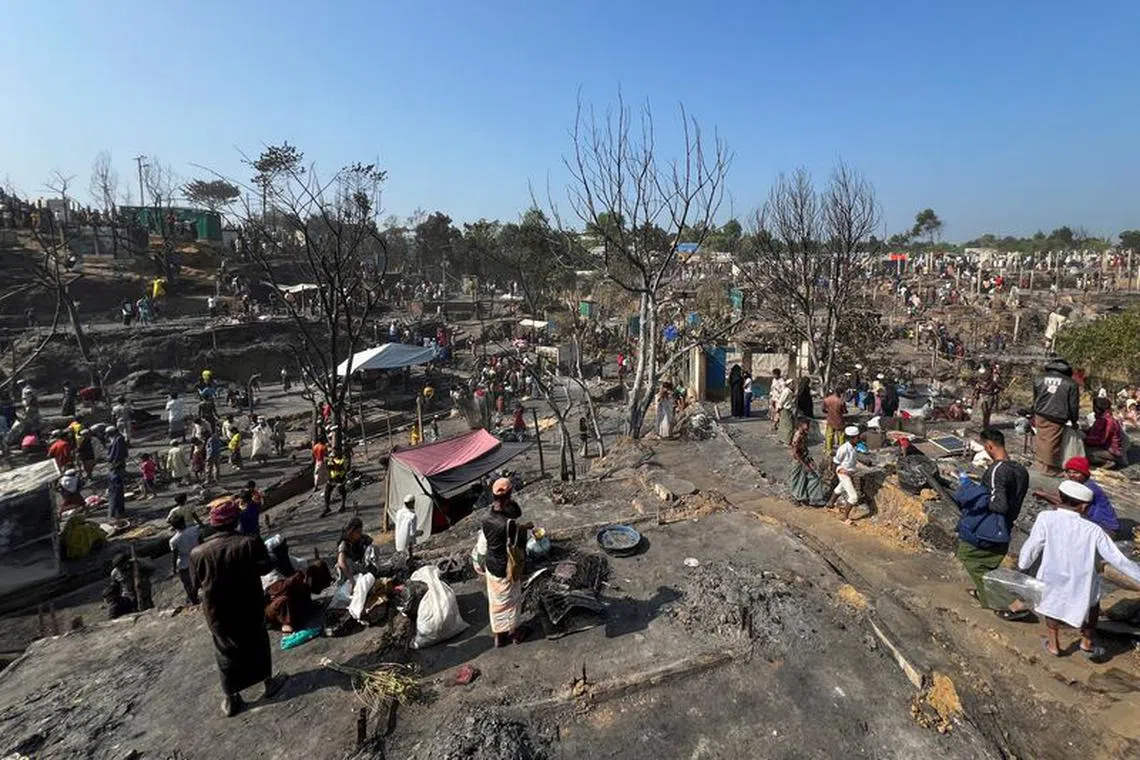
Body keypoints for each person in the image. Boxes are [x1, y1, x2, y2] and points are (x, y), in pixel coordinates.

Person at [1019, 480, 1140, 659]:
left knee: (1050, 605)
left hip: (1052, 574)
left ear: (1061, 497)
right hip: (1083, 578)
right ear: (1083, 506)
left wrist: (1023, 564)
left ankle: (1054, 645)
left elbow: (1033, 544)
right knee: (1092, 605)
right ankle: (1086, 642)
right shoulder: (1093, 530)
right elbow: (1117, 559)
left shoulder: (1046, 517)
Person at [190, 500, 288, 717]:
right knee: (257, 643)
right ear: (236, 521)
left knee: (225, 650)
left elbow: (195, 584)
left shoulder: (198, 552)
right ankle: (268, 683)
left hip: (217, 612)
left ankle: (231, 697)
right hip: (248, 605)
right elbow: (266, 567)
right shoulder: (248, 543)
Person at [956, 428, 1031, 620]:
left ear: (989, 446)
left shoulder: (996, 471)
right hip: (1005, 528)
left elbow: (999, 504)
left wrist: (971, 490)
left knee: (968, 556)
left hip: (990, 527)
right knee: (988, 564)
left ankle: (1013, 604)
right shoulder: (1021, 470)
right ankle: (985, 593)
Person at [477, 478, 532, 647]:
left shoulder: (486, 517)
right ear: (509, 495)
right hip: (505, 566)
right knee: (512, 600)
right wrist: (526, 528)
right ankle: (514, 633)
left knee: (496, 603)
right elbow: (518, 541)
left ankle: (499, 637)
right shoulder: (509, 524)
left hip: (491, 565)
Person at [1033, 456, 1120, 537]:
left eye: (1076, 473)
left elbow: (1069, 505)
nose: (1072, 475)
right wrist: (1046, 495)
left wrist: (1045, 495)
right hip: (1093, 522)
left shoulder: (1088, 488)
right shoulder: (1079, 485)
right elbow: (1064, 498)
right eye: (1069, 472)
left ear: (1084, 474)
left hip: (1103, 528)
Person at [1032, 358, 1079, 474]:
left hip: (1040, 413)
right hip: (1057, 416)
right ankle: (1049, 469)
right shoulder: (1071, 383)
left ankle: (1040, 463)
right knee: (1052, 443)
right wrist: (1074, 420)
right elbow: (1073, 405)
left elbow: (1035, 398)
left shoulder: (1039, 378)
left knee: (1041, 439)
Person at [828, 426, 863, 525]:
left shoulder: (853, 447)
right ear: (851, 438)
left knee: (840, 488)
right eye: (857, 437)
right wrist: (834, 473)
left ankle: (830, 504)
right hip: (843, 472)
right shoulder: (843, 448)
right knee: (853, 497)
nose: (858, 439)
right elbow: (836, 461)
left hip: (848, 472)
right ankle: (845, 517)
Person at [789, 416, 825, 506]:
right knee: (798, 480)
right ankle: (798, 497)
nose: (808, 426)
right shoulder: (797, 436)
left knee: (813, 477)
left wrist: (810, 460)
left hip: (805, 458)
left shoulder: (804, 434)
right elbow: (795, 453)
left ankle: (814, 497)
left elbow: (805, 448)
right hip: (799, 461)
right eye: (806, 425)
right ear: (800, 425)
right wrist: (804, 465)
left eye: (808, 424)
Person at [168, 511, 201, 605]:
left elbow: (175, 555)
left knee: (188, 584)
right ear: (184, 522)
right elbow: (201, 541)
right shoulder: (195, 529)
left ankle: (194, 601)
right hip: (197, 557)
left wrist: (173, 568)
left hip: (184, 563)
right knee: (201, 579)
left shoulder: (173, 540)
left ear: (173, 527)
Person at [1084, 397, 1126, 469]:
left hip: (1111, 452)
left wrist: (1084, 439)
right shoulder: (1103, 419)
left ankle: (1108, 461)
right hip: (1106, 449)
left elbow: (1101, 439)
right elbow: (1093, 431)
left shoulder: (1106, 421)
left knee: (1085, 453)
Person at [336, 517, 373, 588]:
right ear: (351, 532)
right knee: (346, 562)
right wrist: (351, 579)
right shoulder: (344, 544)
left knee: (373, 548)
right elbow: (341, 562)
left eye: (360, 531)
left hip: (359, 566)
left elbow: (371, 543)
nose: (359, 534)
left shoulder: (362, 539)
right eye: (357, 532)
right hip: (348, 569)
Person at [106, 427, 128, 518]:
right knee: (116, 491)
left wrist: (114, 462)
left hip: (116, 468)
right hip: (116, 468)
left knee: (116, 492)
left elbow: (118, 454)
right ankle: (117, 511)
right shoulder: (117, 438)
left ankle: (117, 512)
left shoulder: (119, 439)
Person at [321, 448, 349, 517]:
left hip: (340, 478)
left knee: (342, 491)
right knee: (327, 493)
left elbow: (339, 467)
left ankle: (343, 505)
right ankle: (327, 507)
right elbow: (328, 467)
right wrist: (328, 461)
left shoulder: (342, 460)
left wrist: (332, 462)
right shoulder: (332, 459)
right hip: (331, 478)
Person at [395, 494, 422, 560]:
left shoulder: (399, 512)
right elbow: (412, 533)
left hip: (398, 543)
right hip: (408, 545)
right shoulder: (412, 516)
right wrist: (420, 532)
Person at [821, 388, 847, 457]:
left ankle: (828, 450)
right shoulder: (841, 401)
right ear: (841, 393)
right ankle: (842, 451)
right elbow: (844, 411)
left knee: (829, 435)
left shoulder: (827, 399)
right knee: (841, 436)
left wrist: (829, 412)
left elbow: (823, 409)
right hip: (839, 421)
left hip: (830, 420)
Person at [773, 376, 796, 444]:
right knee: (789, 426)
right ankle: (786, 440)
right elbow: (781, 401)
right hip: (785, 409)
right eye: (792, 384)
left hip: (787, 409)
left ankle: (782, 439)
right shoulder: (786, 392)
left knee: (783, 425)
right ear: (789, 384)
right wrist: (778, 409)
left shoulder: (789, 391)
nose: (793, 385)